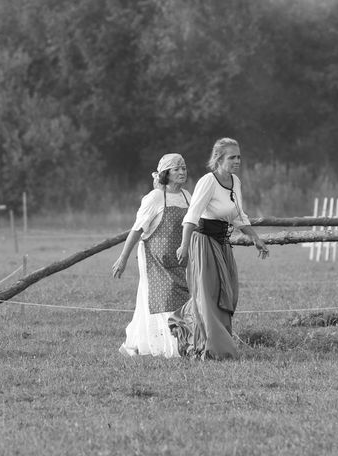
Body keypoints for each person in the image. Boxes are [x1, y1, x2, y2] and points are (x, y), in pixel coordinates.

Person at [171, 138, 269, 359]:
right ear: (218, 159)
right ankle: (213, 349)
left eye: (239, 156)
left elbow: (239, 216)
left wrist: (255, 238)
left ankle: (186, 321)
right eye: (232, 157)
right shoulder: (208, 181)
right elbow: (192, 215)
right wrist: (184, 245)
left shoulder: (235, 181)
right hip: (203, 243)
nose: (237, 161)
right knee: (208, 296)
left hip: (223, 244)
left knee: (227, 295)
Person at [112, 153, 192, 357]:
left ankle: (182, 343)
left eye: (183, 168)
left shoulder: (187, 196)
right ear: (166, 173)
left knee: (182, 299)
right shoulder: (155, 197)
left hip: (181, 258)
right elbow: (137, 229)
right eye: (176, 169)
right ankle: (166, 347)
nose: (182, 172)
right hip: (156, 260)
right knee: (163, 299)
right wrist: (123, 258)